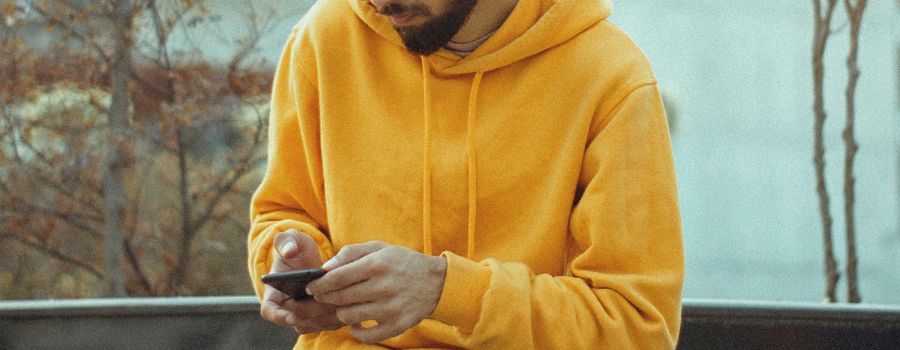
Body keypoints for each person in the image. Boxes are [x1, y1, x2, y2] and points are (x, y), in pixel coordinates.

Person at [247, 0, 684, 348]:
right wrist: (290, 257)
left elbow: (636, 327)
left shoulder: (610, 77)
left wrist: (447, 292)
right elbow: (283, 212)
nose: (377, 2)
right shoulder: (324, 38)